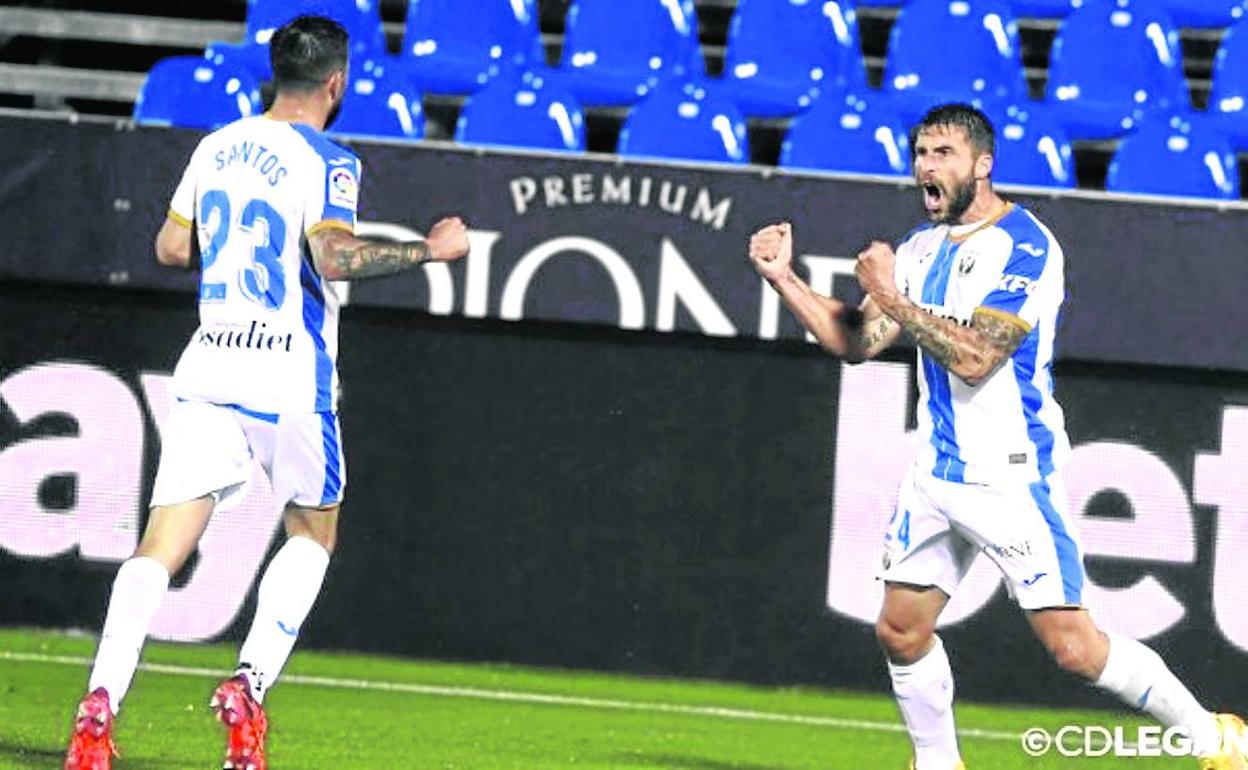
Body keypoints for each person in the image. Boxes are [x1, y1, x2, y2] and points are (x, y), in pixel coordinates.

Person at [747, 102, 1245, 770]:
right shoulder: (921, 249)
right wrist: (785, 279)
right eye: (921, 152)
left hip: (1010, 474)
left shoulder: (1027, 247)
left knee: (1073, 646)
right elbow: (857, 341)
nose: (926, 166)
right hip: (937, 471)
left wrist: (892, 296)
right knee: (900, 629)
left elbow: (978, 358)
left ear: (983, 164)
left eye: (943, 153)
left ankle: (1216, 739)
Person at [63, 15, 470, 770]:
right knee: (312, 534)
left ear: (273, 73)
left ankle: (99, 703)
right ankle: (248, 684)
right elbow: (336, 256)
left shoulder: (214, 146)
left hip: (211, 364)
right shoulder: (328, 160)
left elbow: (171, 246)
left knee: (159, 547)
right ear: (337, 83)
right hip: (288, 374)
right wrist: (430, 251)